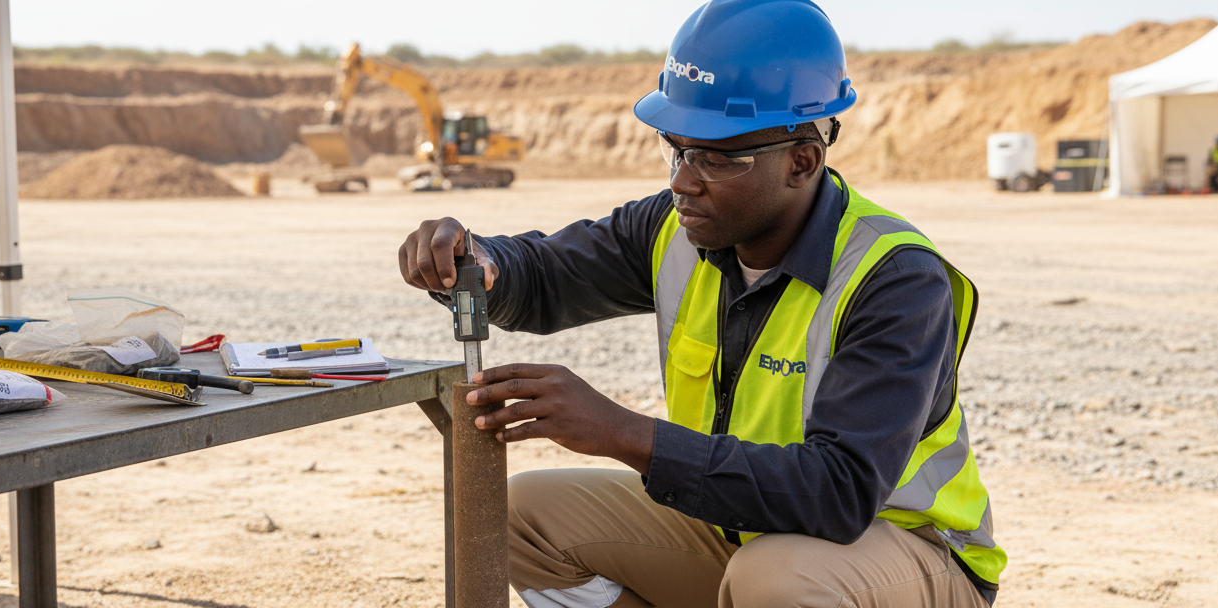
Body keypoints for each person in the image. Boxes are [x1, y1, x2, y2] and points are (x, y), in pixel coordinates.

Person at [398, 1, 1003, 605]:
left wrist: (625, 433)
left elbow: (837, 494)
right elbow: (549, 274)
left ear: (802, 162)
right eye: (676, 149)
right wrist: (480, 261)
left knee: (775, 581)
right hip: (743, 528)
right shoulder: (676, 228)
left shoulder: (894, 278)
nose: (683, 180)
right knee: (520, 515)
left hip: (902, 551)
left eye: (717, 157)